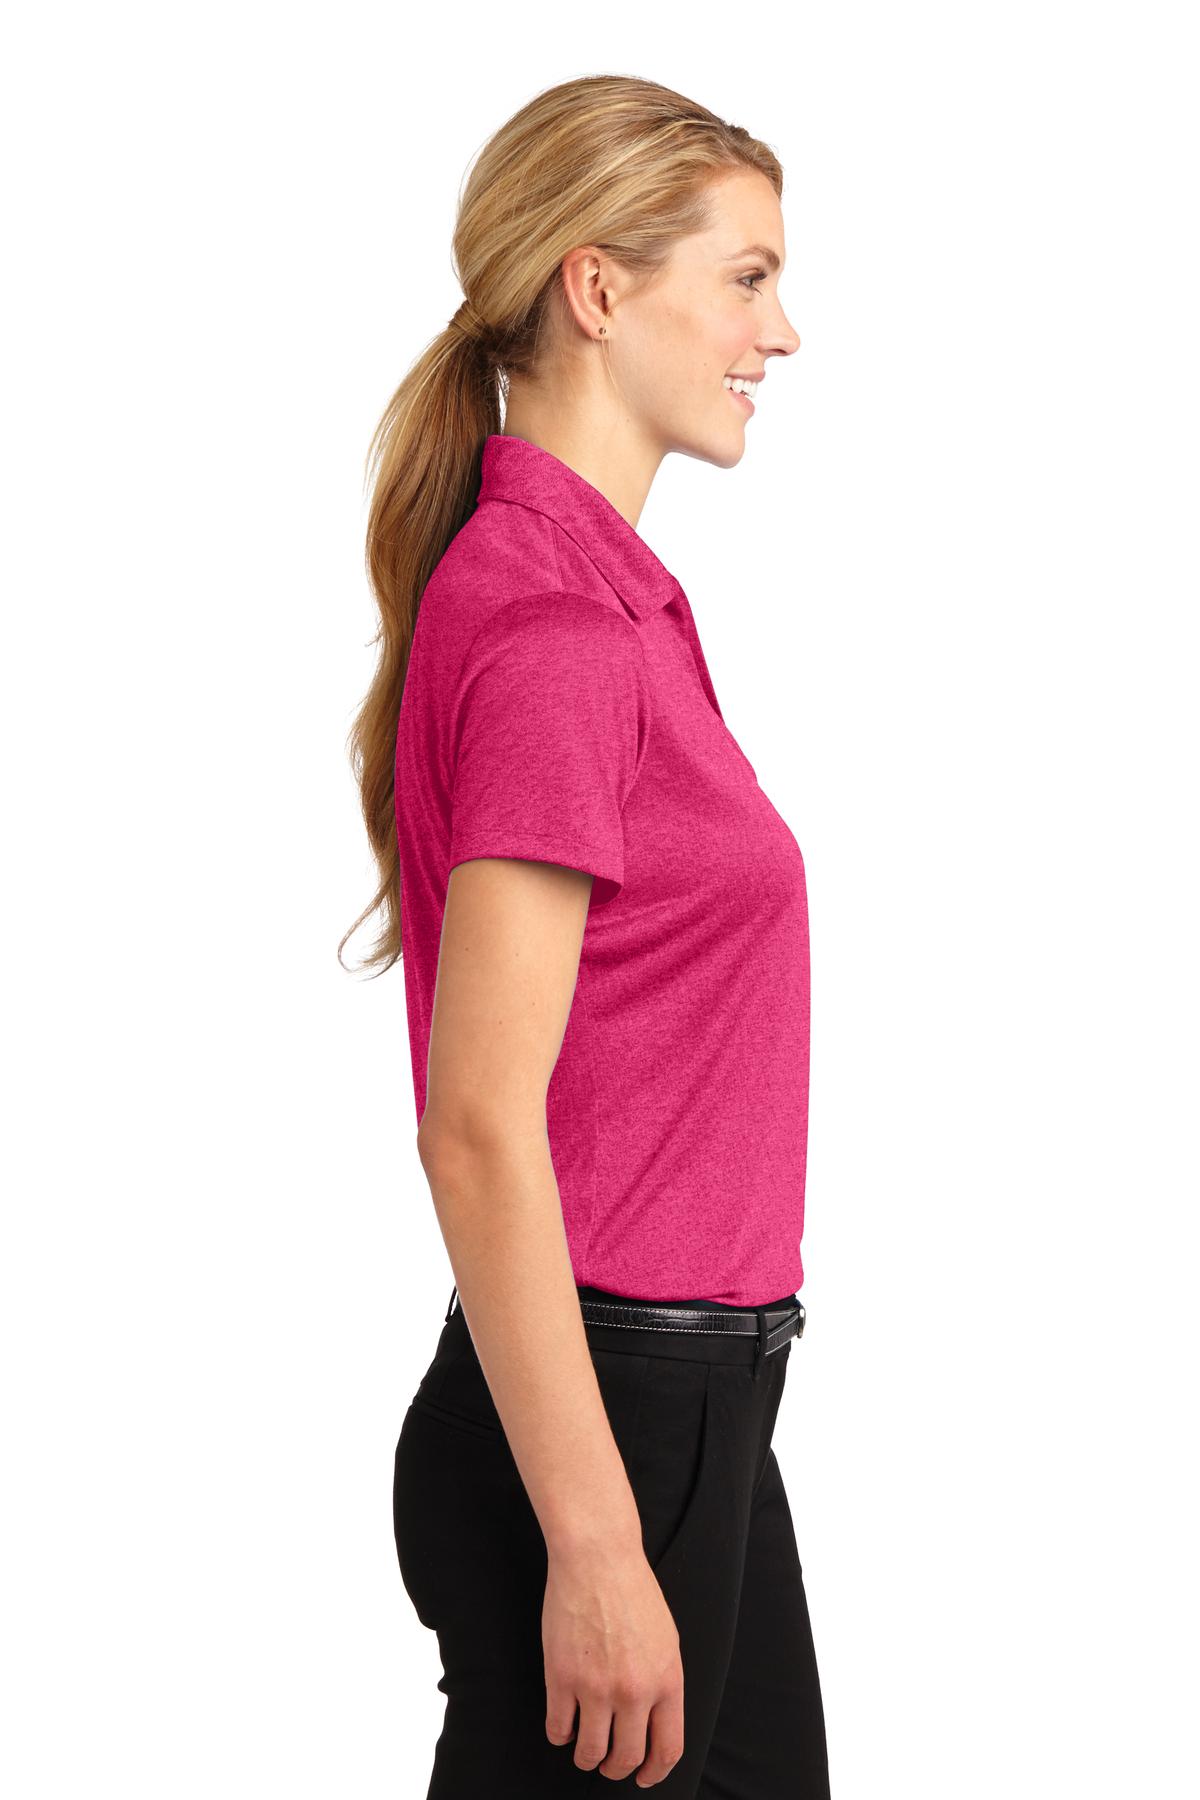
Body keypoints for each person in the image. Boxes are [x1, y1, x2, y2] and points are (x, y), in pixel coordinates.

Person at [344, 73, 830, 1798]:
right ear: (599, 289)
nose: (783, 333)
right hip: (609, 1421)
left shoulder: (602, 600)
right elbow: (478, 1123)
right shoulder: (554, 625)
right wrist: (601, 1544)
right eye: (748, 279)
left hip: (692, 1413)